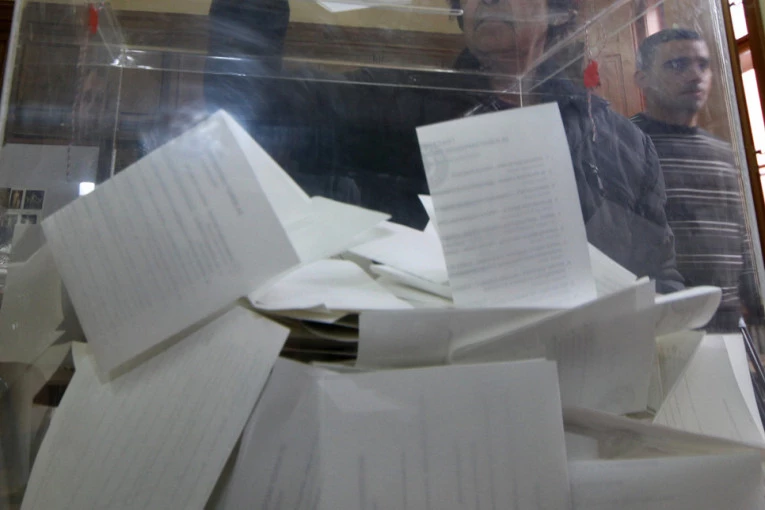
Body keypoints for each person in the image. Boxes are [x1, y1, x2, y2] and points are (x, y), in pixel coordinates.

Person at [205, 0, 684, 293]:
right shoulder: (402, 101)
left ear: (557, 11)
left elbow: (658, 278)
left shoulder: (624, 144)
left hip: (585, 378)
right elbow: (260, 107)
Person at [633, 28, 760, 329]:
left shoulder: (723, 153)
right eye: (677, 65)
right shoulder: (625, 143)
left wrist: (758, 308)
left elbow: (742, 239)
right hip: (661, 324)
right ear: (643, 79)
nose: (695, 75)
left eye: (703, 65)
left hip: (728, 322)